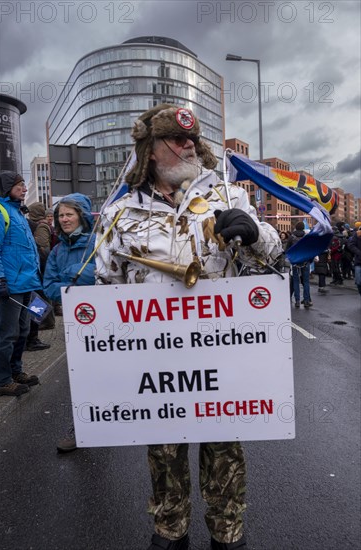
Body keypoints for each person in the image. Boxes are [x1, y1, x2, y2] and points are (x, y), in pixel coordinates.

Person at [94, 104, 282, 550]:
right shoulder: (120, 214)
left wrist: (257, 235)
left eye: (192, 140)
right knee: (164, 451)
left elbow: (272, 258)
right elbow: (106, 285)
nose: (188, 146)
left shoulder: (229, 196)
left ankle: (227, 533)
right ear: (150, 151)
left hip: (220, 355)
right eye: (176, 140)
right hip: (156, 359)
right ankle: (170, 530)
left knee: (224, 451)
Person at [43, 192, 96, 452]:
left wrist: (76, 276)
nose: (64, 219)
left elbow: (104, 275)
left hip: (106, 320)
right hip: (77, 323)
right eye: (61, 215)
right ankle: (82, 425)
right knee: (82, 376)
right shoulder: (57, 251)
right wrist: (71, 278)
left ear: (81, 216)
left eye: (69, 214)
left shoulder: (99, 243)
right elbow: (50, 287)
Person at [0, 171, 42, 397]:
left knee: (23, 330)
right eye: (20, 185)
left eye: (24, 185)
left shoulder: (18, 212)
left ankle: (15, 371)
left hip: (26, 284)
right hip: (10, 285)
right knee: (6, 333)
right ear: (7, 187)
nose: (24, 189)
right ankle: (1, 380)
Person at [26, 202, 54, 348]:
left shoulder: (40, 226)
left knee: (39, 303)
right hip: (36, 271)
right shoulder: (34, 225)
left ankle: (34, 335)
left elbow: (43, 249)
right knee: (37, 303)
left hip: (40, 270)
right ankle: (32, 336)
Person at [285, 221, 312, 308]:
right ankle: (307, 300)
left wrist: (291, 259)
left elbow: (287, 250)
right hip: (305, 261)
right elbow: (310, 250)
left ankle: (297, 301)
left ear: (296, 227)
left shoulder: (291, 237)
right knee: (306, 282)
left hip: (295, 262)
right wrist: (310, 260)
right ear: (303, 228)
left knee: (296, 281)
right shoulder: (307, 237)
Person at [347, 225, 361, 295]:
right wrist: (358, 253)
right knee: (358, 281)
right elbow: (351, 245)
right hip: (359, 262)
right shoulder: (358, 233)